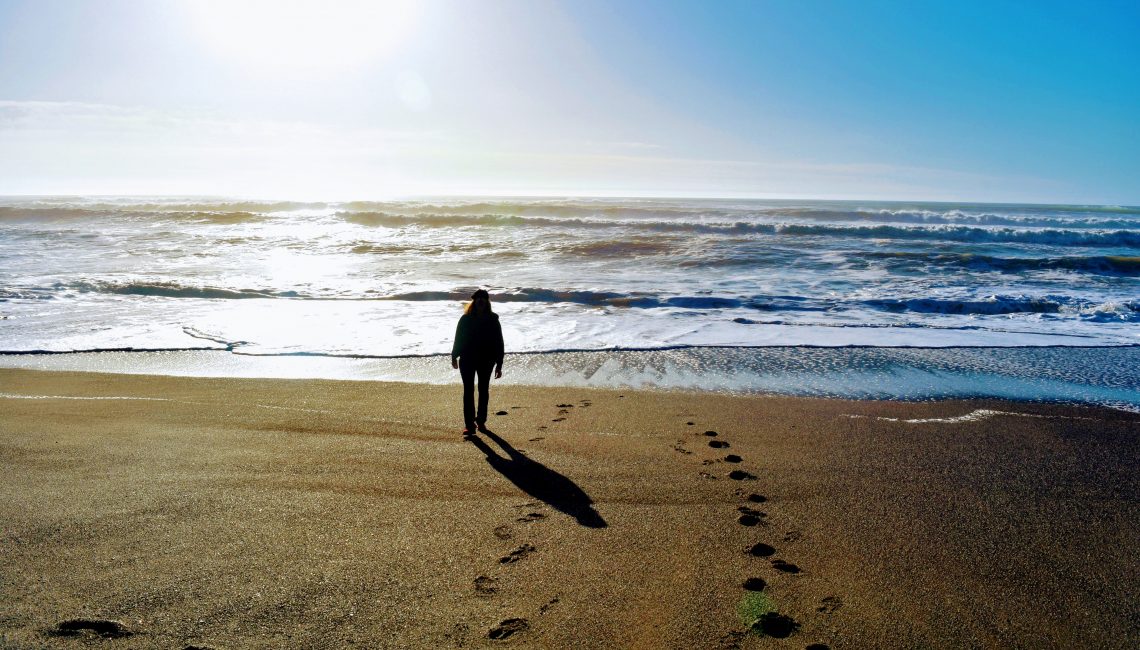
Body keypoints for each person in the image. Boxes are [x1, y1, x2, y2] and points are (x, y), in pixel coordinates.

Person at [451, 289, 504, 436]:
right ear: (474, 302)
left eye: (483, 299)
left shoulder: (493, 320)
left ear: (487, 302)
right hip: (467, 359)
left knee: (483, 390)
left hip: (487, 360)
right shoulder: (465, 319)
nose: (480, 301)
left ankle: (481, 421)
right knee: (468, 391)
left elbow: (499, 342)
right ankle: (469, 425)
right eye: (478, 299)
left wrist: (499, 364)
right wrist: (454, 356)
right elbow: (458, 339)